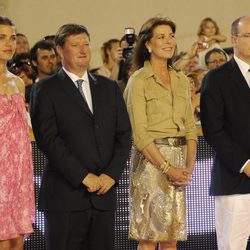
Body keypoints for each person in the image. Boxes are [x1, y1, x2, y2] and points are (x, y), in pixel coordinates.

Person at [30, 23, 131, 250]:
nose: (83, 50)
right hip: (65, 197)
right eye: (75, 45)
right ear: (59, 50)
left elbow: (124, 136)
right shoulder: (45, 89)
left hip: (104, 197)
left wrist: (110, 176)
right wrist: (84, 176)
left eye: (86, 44)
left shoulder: (109, 87)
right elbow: (49, 140)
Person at [124, 17, 197, 250]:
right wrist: (168, 168)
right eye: (161, 37)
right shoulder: (138, 81)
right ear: (148, 44)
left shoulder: (181, 80)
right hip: (150, 164)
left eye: (171, 36)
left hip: (179, 161)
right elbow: (140, 134)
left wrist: (188, 166)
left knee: (171, 238)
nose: (168, 41)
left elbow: (190, 128)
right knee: (148, 237)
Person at [200, 16, 250, 250]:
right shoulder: (217, 78)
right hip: (235, 179)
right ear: (234, 40)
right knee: (232, 245)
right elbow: (213, 130)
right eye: (248, 36)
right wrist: (245, 163)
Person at [0, 16, 35, 250]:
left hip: (19, 168)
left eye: (12, 38)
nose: (9, 43)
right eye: (1, 38)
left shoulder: (18, 83)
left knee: (17, 238)